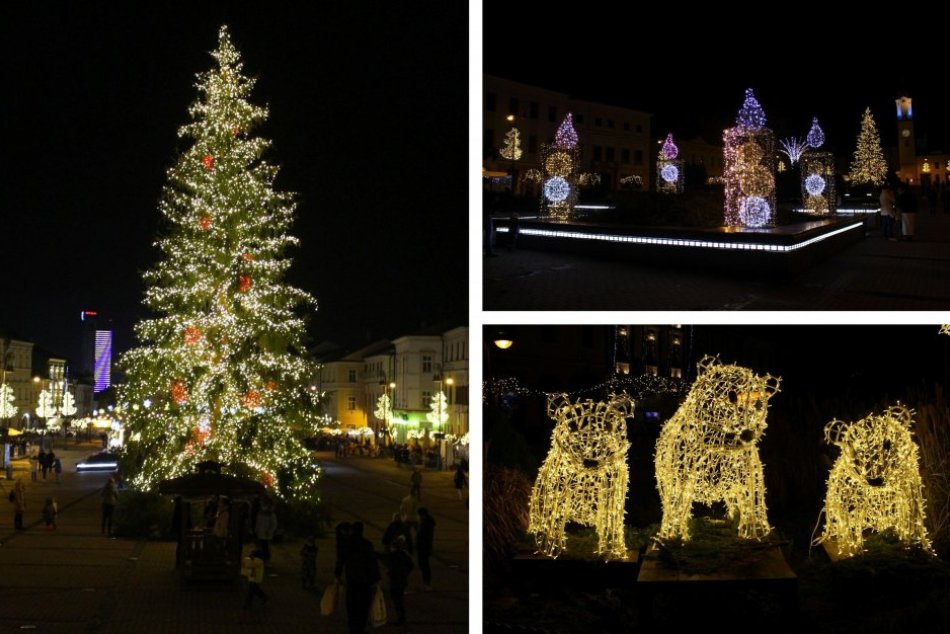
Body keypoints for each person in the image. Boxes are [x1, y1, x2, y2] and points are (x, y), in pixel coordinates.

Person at [340, 522, 381, 634]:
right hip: (364, 583)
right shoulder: (367, 545)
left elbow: (341, 561)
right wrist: (375, 580)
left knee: (352, 608)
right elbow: (372, 564)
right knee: (362, 608)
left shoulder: (347, 545)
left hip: (352, 582)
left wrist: (338, 576)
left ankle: (353, 629)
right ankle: (359, 629)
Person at [378, 535, 413, 626]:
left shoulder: (393, 555)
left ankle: (401, 618)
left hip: (395, 580)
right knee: (399, 598)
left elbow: (382, 557)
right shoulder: (404, 555)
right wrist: (406, 572)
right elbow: (411, 565)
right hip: (402, 580)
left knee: (397, 599)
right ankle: (401, 616)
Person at [416, 507, 435, 590]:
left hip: (424, 548)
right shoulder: (427, 523)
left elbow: (424, 537)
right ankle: (426, 583)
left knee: (424, 565)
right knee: (424, 565)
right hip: (424, 547)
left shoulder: (426, 524)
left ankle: (426, 583)